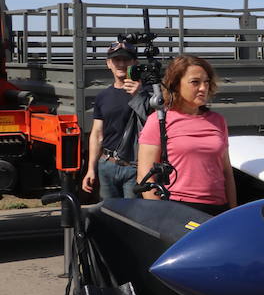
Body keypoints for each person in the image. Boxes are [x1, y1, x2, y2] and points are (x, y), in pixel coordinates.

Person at [136, 55, 236, 216]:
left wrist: (233, 212)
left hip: (218, 210)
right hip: (178, 209)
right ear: (175, 85)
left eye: (206, 82)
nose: (203, 88)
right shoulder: (159, 121)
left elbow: (226, 173)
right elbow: (145, 176)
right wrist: (160, 216)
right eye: (195, 82)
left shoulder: (218, 121)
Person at [82, 41, 140, 200]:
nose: (121, 64)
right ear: (109, 64)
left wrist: (139, 95)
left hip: (134, 168)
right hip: (107, 165)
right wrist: (91, 168)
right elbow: (97, 134)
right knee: (109, 216)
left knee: (132, 218)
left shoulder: (147, 94)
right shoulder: (102, 97)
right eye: (116, 60)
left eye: (126, 60)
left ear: (135, 63)